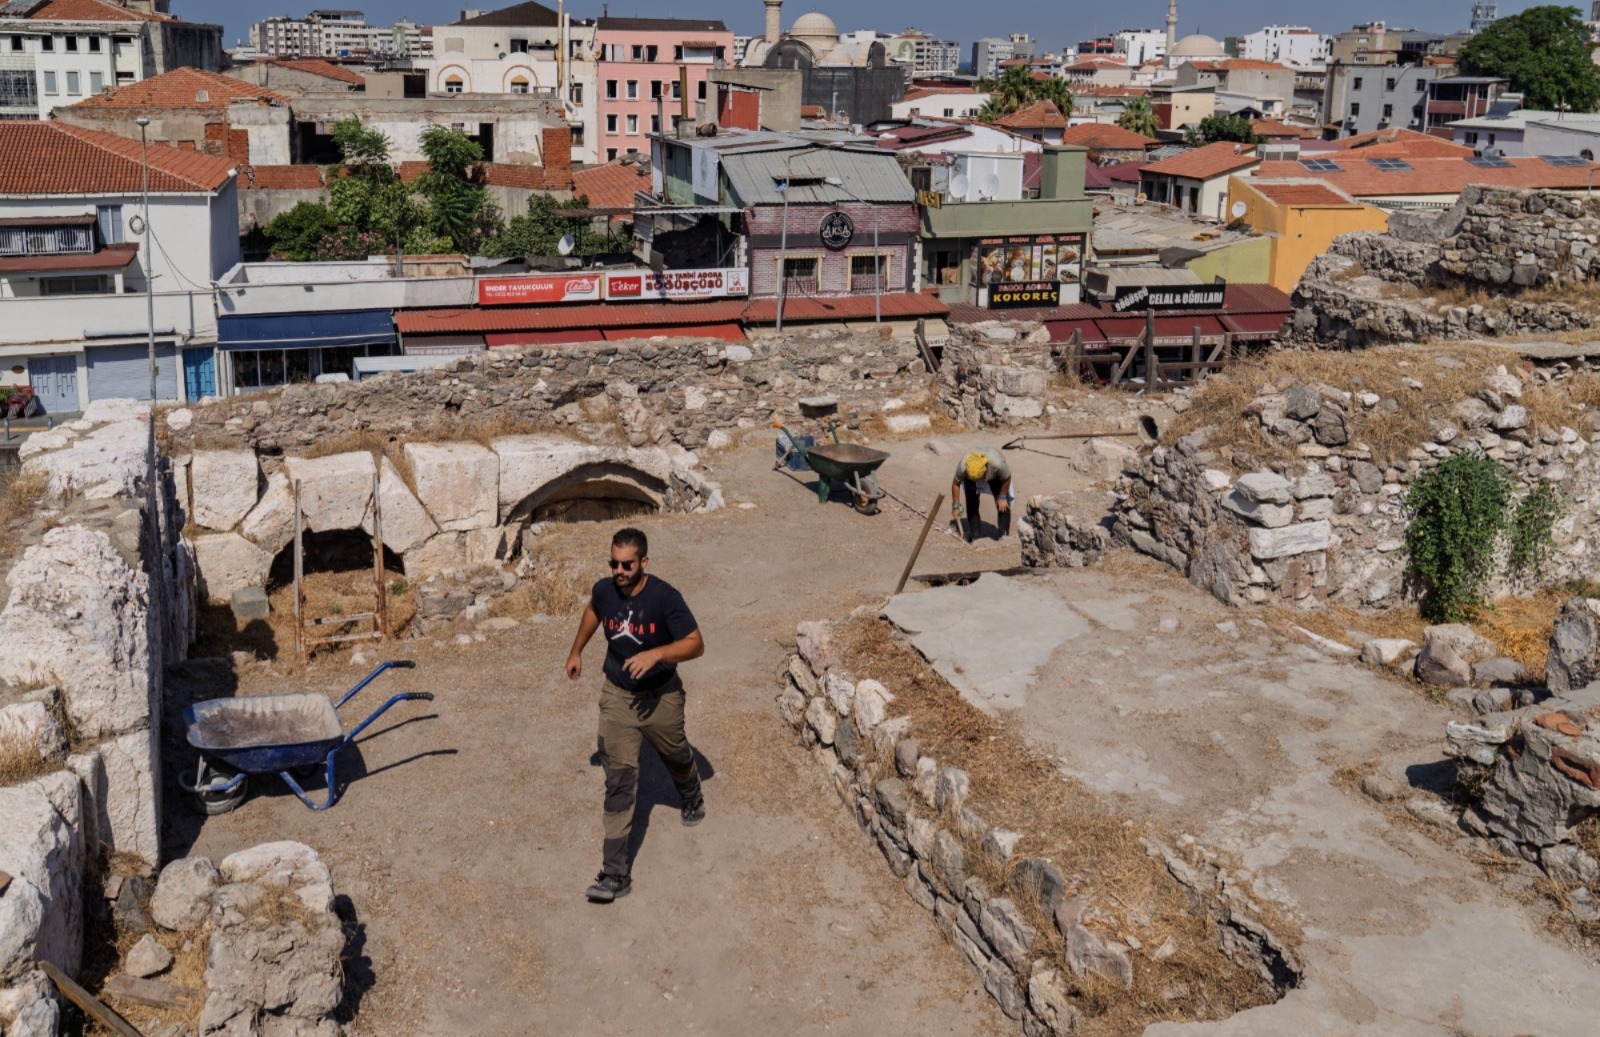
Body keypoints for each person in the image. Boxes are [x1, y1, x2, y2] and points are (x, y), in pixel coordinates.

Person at [565, 527, 705, 903]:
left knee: (675, 753)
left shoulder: (664, 597)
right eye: (614, 563)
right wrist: (577, 649)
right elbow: (594, 610)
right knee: (620, 781)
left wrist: (656, 654)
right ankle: (614, 874)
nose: (619, 571)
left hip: (661, 696)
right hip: (618, 694)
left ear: (644, 562)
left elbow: (696, 644)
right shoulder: (605, 591)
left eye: (627, 564)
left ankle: (691, 794)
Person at [951, 448, 1013, 542]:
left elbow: (1007, 478)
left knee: (1002, 504)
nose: (979, 482)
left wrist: (1003, 496)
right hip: (971, 477)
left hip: (994, 476)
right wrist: (956, 506)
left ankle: (1004, 536)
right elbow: (956, 484)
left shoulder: (997, 464)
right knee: (972, 503)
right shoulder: (963, 466)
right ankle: (976, 536)